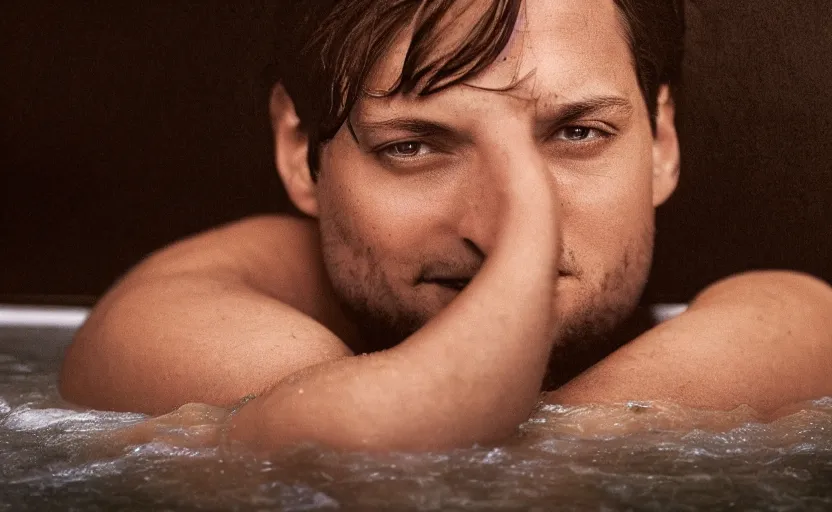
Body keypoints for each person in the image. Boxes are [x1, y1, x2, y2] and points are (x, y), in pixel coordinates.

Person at [59, 0, 832, 452]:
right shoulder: (172, 324)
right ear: (301, 153)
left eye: (577, 133)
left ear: (661, 145)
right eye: (414, 144)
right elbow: (383, 459)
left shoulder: (784, 320)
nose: (496, 233)